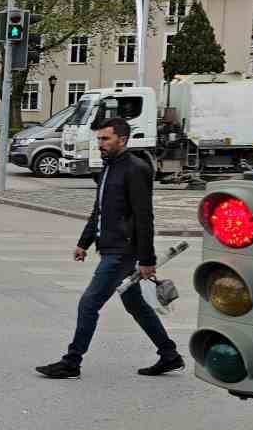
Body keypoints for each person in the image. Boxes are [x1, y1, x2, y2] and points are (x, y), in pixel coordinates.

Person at [36, 117, 184, 380]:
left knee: (89, 303)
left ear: (122, 140)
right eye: (99, 139)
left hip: (123, 252)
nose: (100, 144)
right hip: (110, 247)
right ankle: (169, 355)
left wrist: (147, 259)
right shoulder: (108, 167)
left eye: (105, 139)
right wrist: (84, 242)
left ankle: (72, 362)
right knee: (136, 305)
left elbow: (143, 216)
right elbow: (100, 210)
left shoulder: (135, 169)